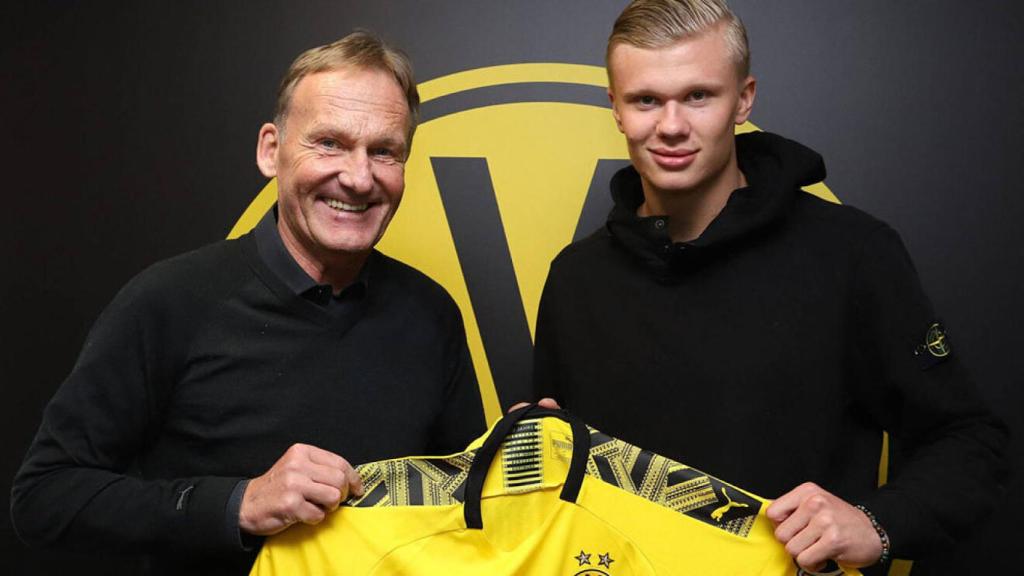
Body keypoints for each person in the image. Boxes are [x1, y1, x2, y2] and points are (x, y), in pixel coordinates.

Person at [531, 1, 1007, 574]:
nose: (672, 125)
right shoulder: (576, 278)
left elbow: (968, 439)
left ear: (744, 99)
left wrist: (877, 523)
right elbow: (560, 478)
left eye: (699, 96)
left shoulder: (852, 252)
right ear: (615, 107)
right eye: (646, 100)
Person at [11, 31, 485, 575]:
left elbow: (461, 507)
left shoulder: (431, 314)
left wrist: (521, 456)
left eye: (384, 151)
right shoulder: (168, 301)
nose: (358, 178)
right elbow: (45, 498)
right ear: (270, 150)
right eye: (328, 143)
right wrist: (237, 504)